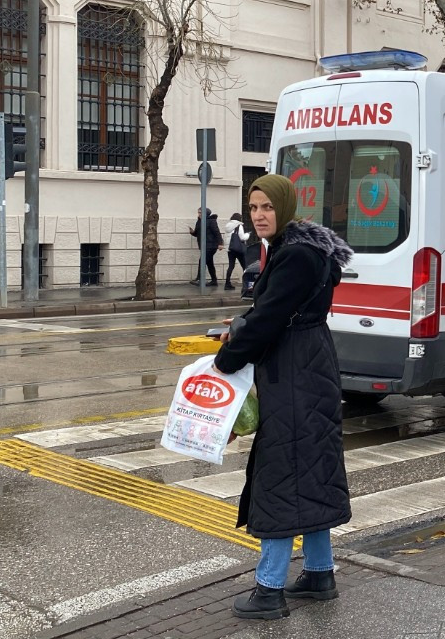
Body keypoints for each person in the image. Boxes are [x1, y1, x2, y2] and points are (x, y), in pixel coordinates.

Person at [213, 174, 353, 620]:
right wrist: (238, 325)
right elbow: (270, 310)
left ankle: (269, 590)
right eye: (253, 208)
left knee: (280, 474)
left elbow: (270, 318)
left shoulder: (294, 255)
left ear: (285, 208)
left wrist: (227, 358)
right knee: (309, 469)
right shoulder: (300, 250)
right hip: (308, 367)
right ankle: (318, 573)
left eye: (267, 207)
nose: (259, 215)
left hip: (295, 373)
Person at [189, 207, 223, 286]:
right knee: (209, 263)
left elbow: (217, 232)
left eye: (200, 213)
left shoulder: (211, 221)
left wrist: (220, 243)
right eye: (198, 212)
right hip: (204, 246)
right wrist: (192, 232)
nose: (199, 214)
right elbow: (197, 233)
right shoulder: (199, 221)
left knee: (202, 261)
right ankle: (214, 281)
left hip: (211, 245)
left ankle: (199, 279)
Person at [223, 212, 251, 290]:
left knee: (231, 266)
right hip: (238, 249)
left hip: (230, 249)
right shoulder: (239, 226)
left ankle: (227, 284)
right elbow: (242, 238)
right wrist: (248, 235)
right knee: (244, 265)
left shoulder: (228, 226)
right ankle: (247, 284)